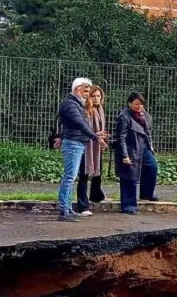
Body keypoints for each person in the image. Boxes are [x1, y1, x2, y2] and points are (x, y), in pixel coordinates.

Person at [57, 78, 107, 222]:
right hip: (73, 143)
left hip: (77, 143)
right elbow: (80, 124)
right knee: (69, 177)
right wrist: (95, 137)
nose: (87, 94)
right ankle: (63, 210)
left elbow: (81, 125)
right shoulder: (70, 104)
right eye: (85, 91)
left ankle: (67, 209)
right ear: (77, 89)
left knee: (71, 177)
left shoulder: (75, 104)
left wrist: (94, 135)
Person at [114, 92, 159, 215]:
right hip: (131, 148)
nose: (139, 106)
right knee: (130, 175)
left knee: (152, 167)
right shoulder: (124, 117)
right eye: (136, 104)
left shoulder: (145, 116)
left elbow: (148, 132)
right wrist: (124, 155)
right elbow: (121, 137)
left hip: (144, 148)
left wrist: (151, 147)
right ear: (130, 104)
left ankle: (146, 193)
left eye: (141, 104)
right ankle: (128, 205)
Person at [74, 85, 107, 216]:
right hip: (86, 146)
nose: (97, 99)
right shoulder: (85, 111)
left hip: (97, 145)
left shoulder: (100, 110)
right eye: (94, 96)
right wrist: (96, 136)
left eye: (99, 96)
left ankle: (96, 195)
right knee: (84, 175)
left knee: (98, 172)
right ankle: (82, 205)